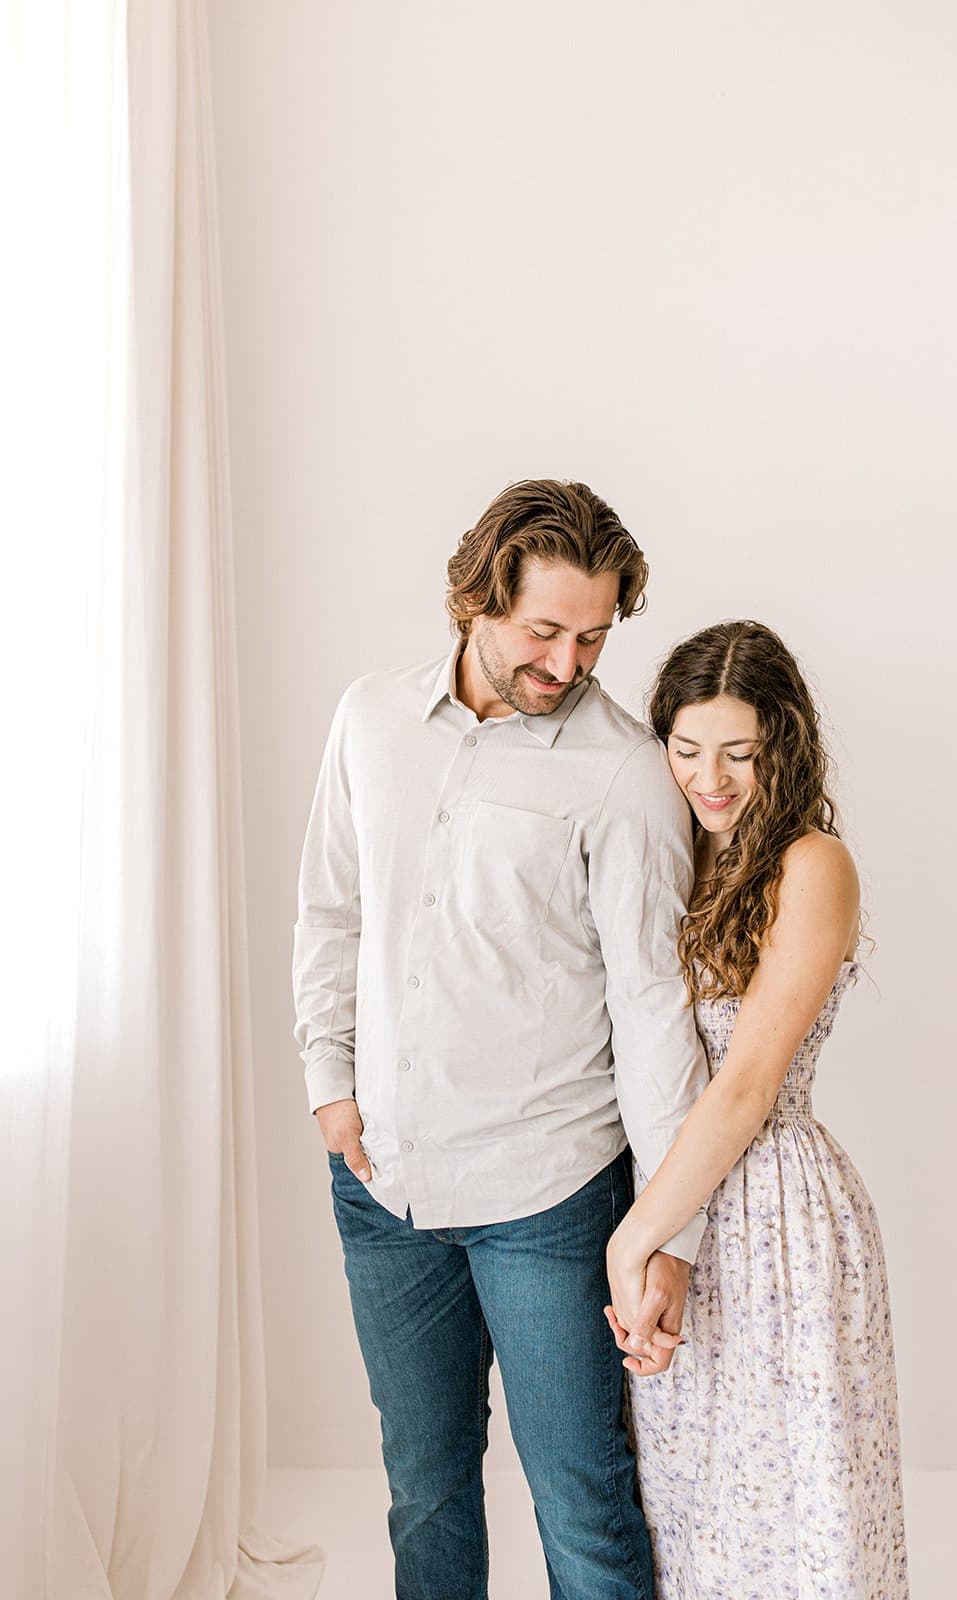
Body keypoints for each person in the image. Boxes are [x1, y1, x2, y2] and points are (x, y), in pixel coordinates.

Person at [292, 479, 710, 1600]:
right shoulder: (369, 718)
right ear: (476, 597)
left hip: (548, 1196)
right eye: (543, 631)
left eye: (593, 636)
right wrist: (330, 1085)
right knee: (423, 1485)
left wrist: (667, 1231)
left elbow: (650, 1007)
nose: (569, 664)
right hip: (386, 1188)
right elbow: (332, 908)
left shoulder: (625, 772)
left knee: (581, 1496)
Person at [605, 621, 909, 1600]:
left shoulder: (810, 862)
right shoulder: (670, 857)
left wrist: (632, 1237)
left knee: (798, 1509)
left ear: (783, 744)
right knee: (694, 1501)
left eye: (737, 753)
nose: (710, 777)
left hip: (775, 1214)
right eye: (686, 750)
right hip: (679, 1205)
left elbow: (743, 1088)